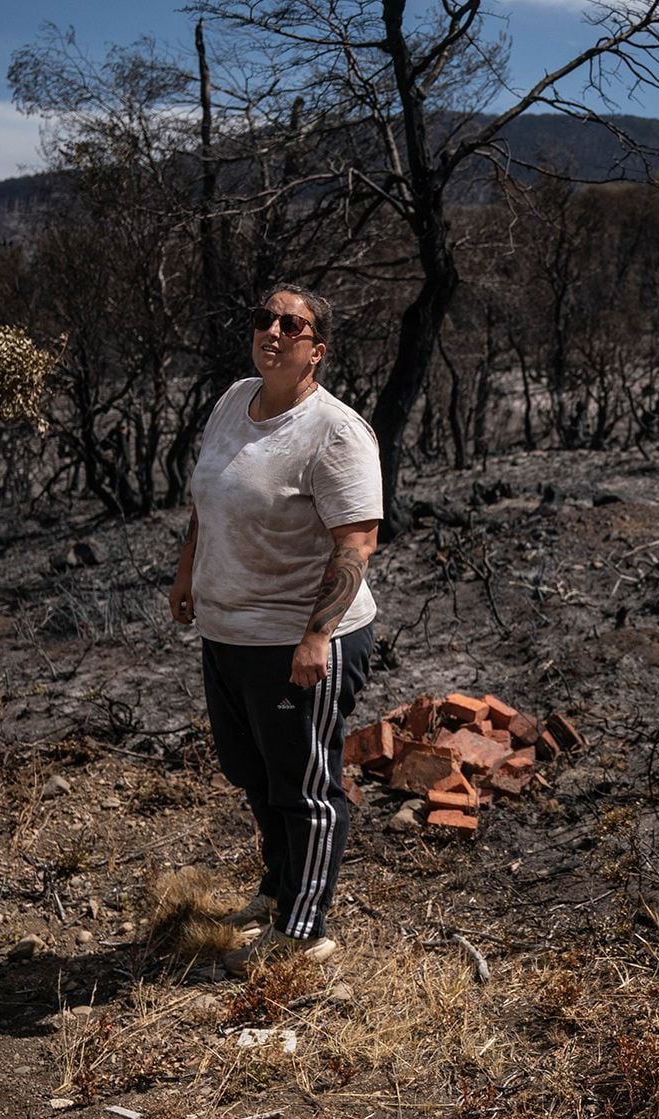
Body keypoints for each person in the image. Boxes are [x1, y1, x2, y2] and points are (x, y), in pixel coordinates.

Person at [169, 284, 381, 974]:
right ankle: (276, 888)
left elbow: (356, 543)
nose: (274, 330)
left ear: (316, 351)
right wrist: (187, 572)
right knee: (251, 770)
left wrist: (317, 637)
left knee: (305, 785)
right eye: (265, 318)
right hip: (229, 632)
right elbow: (210, 498)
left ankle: (304, 927)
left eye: (293, 325)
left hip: (299, 642)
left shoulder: (336, 432)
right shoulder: (235, 400)